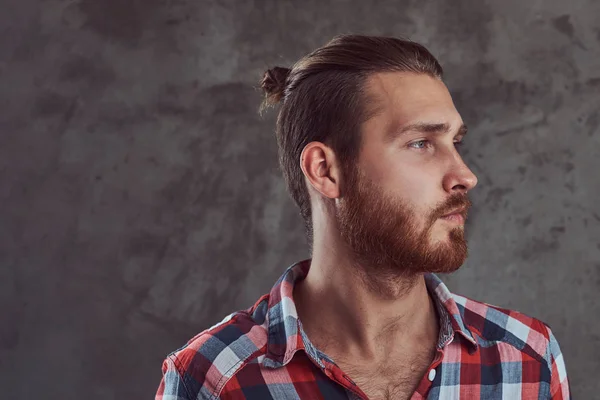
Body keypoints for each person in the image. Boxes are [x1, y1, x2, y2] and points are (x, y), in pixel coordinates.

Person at [155, 35, 570, 400]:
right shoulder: (213, 380)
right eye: (422, 143)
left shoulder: (527, 360)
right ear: (326, 170)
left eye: (455, 141)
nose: (465, 175)